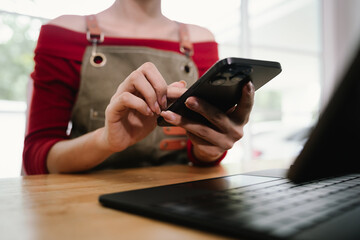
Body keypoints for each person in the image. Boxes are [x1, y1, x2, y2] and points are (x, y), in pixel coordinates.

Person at [23, 0, 254, 175]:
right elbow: (37, 156)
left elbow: (201, 157)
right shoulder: (63, 35)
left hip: (178, 202)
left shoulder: (202, 41)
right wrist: (106, 141)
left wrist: (211, 148)